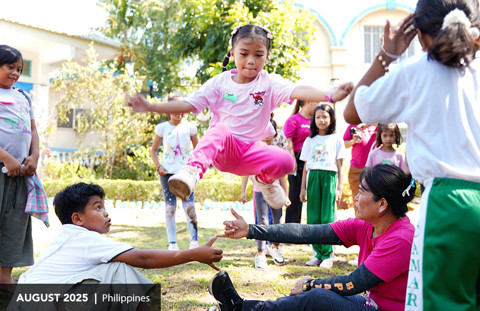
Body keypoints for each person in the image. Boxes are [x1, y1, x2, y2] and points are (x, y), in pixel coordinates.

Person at [343, 1, 480, 310]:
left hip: (449, 205)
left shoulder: (416, 72)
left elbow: (353, 111)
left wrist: (387, 55)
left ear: (419, 36)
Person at [128, 24, 353, 211]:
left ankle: (264, 180)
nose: (251, 61)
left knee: (287, 161)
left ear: (266, 56)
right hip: (224, 151)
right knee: (221, 129)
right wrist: (151, 106)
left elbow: (299, 90)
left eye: (258, 55)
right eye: (244, 54)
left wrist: (330, 95)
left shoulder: (269, 83)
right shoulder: (220, 83)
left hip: (250, 153)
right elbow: (188, 104)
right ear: (233, 53)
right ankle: (193, 170)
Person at [211, 165, 416, 311]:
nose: (355, 197)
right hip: (369, 304)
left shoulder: (401, 239)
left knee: (319, 296)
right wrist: (251, 230)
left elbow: (355, 283)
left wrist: (311, 284)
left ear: (382, 204)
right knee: (316, 294)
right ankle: (240, 307)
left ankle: (239, 308)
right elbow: (307, 232)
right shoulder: (366, 226)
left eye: (361, 192)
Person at [18, 183, 222, 284]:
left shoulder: (68, 237)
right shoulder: (85, 238)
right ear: (77, 218)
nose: (105, 212)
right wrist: (193, 254)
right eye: (97, 207)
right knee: (118, 269)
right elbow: (143, 258)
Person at [0, 45, 40, 284]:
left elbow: (33, 130)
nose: (15, 73)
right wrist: (5, 156)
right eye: (9, 67)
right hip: (3, 168)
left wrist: (34, 156)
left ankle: (4, 280)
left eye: (19, 69)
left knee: (14, 227)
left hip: (21, 175)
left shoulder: (23, 96)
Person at [299, 104, 346, 268]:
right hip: (313, 177)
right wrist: (302, 188)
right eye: (318, 117)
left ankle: (328, 255)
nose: (322, 120)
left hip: (329, 177)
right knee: (313, 217)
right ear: (314, 119)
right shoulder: (310, 140)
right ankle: (317, 254)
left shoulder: (337, 139)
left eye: (325, 116)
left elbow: (340, 166)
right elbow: (305, 167)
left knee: (327, 217)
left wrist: (339, 187)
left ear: (331, 119)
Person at [151, 107, 200, 251]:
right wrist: (158, 166)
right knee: (170, 208)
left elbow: (198, 149)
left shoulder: (191, 127)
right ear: (168, 110)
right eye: (176, 110)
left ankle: (194, 241)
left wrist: (194, 167)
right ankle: (172, 243)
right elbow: (154, 150)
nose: (180, 113)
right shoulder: (162, 128)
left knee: (189, 207)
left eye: (182, 110)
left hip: (186, 174)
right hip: (167, 174)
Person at [283, 100, 319, 224]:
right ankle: (291, 228)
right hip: (297, 160)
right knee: (295, 194)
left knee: (313, 194)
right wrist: (292, 161)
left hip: (314, 160)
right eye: (316, 102)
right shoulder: (293, 120)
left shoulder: (316, 120)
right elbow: (288, 143)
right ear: (308, 101)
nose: (318, 105)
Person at [343, 123, 377, 203]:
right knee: (357, 197)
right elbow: (344, 144)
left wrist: (369, 123)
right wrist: (353, 141)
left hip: (374, 168)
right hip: (356, 168)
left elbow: (388, 124)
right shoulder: (353, 125)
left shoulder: (377, 126)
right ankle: (358, 216)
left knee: (373, 198)